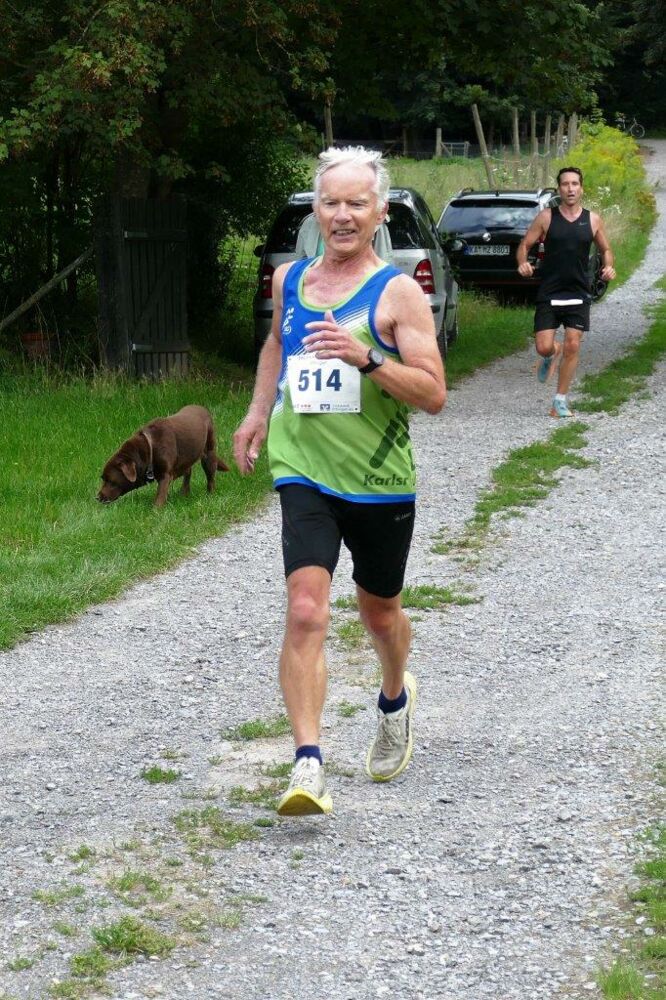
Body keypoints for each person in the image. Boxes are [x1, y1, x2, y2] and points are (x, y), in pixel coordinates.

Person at [233, 146, 446, 817]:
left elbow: (433, 394)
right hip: (303, 468)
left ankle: (394, 696)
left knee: (379, 613)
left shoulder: (397, 292)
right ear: (316, 212)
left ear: (379, 212)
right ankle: (308, 763)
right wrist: (257, 412)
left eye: (357, 203)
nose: (343, 214)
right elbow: (277, 344)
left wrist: (367, 357)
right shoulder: (289, 279)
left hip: (379, 480)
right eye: (331, 202)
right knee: (305, 609)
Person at [516, 166, 616, 417]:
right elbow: (525, 244)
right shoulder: (546, 217)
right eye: (565, 184)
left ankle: (559, 402)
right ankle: (552, 353)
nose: (570, 189)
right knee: (543, 347)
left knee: (573, 344)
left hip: (578, 292)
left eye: (574, 184)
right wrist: (522, 263)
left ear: (581, 188)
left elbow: (605, 249)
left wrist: (608, 267)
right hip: (550, 291)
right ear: (559, 189)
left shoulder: (593, 219)